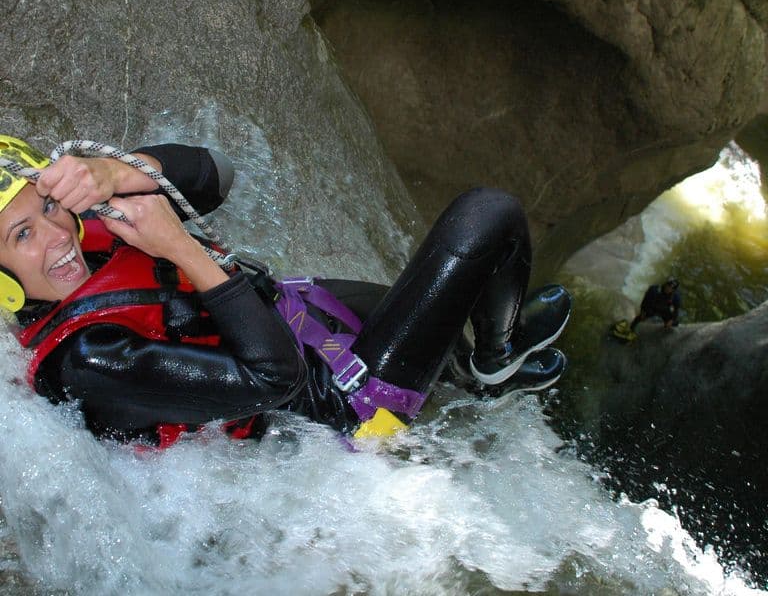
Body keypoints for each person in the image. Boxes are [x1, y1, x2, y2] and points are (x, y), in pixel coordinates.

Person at [0, 134, 570, 446]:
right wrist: (181, 249)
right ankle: (496, 361)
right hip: (341, 410)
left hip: (292, 315)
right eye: (21, 234)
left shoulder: (83, 240)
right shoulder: (86, 359)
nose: (56, 235)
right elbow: (275, 381)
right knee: (488, 217)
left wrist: (115, 172)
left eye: (49, 206)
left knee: (448, 320)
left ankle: (480, 370)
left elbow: (215, 174)